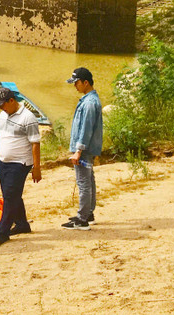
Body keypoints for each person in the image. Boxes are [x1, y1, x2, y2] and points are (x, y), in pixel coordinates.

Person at [0, 86, 41, 245]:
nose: (1, 108)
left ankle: (3, 232)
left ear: (11, 100)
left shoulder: (28, 118)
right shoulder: (3, 115)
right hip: (4, 162)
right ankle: (22, 224)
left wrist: (37, 168)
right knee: (11, 195)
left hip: (20, 163)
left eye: (2, 104)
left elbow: (35, 144)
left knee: (10, 196)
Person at [62, 67, 103, 231]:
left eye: (76, 83)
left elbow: (86, 129)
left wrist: (78, 150)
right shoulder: (90, 100)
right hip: (86, 148)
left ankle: (82, 219)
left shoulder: (89, 103)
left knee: (84, 183)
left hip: (84, 150)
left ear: (86, 82)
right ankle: (88, 213)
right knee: (89, 180)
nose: (75, 86)